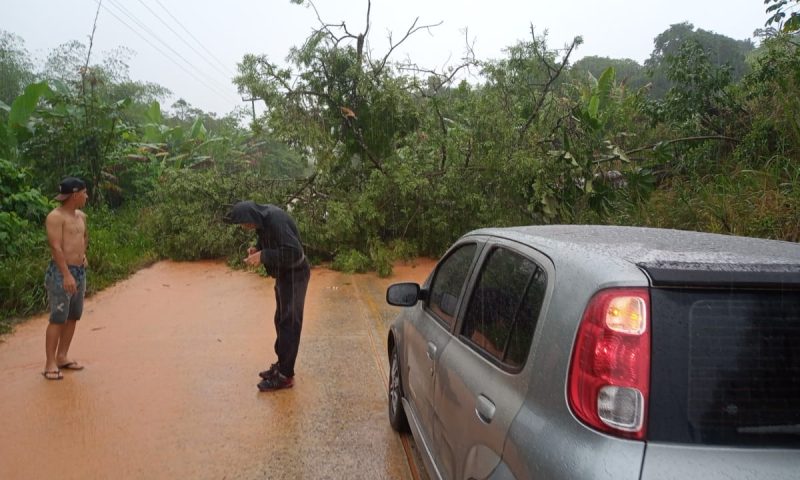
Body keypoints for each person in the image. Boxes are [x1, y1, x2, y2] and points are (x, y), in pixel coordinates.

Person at [224, 201, 310, 392]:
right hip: (283, 274)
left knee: (290, 323)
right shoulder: (262, 223)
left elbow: (294, 252)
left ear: (250, 217)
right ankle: (282, 365)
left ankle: (285, 376)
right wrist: (257, 249)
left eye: (244, 223)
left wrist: (263, 256)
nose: (244, 227)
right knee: (280, 320)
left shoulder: (276, 219)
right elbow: (269, 242)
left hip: (296, 274)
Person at [42, 177, 89, 380]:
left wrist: (83, 256)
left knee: (73, 316)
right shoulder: (55, 217)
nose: (87, 196)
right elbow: (55, 246)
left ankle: (62, 356)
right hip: (62, 273)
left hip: (79, 272)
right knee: (58, 318)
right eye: (85, 193)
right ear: (75, 195)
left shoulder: (81, 216)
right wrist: (66, 274)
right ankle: (50, 363)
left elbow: (83, 238)